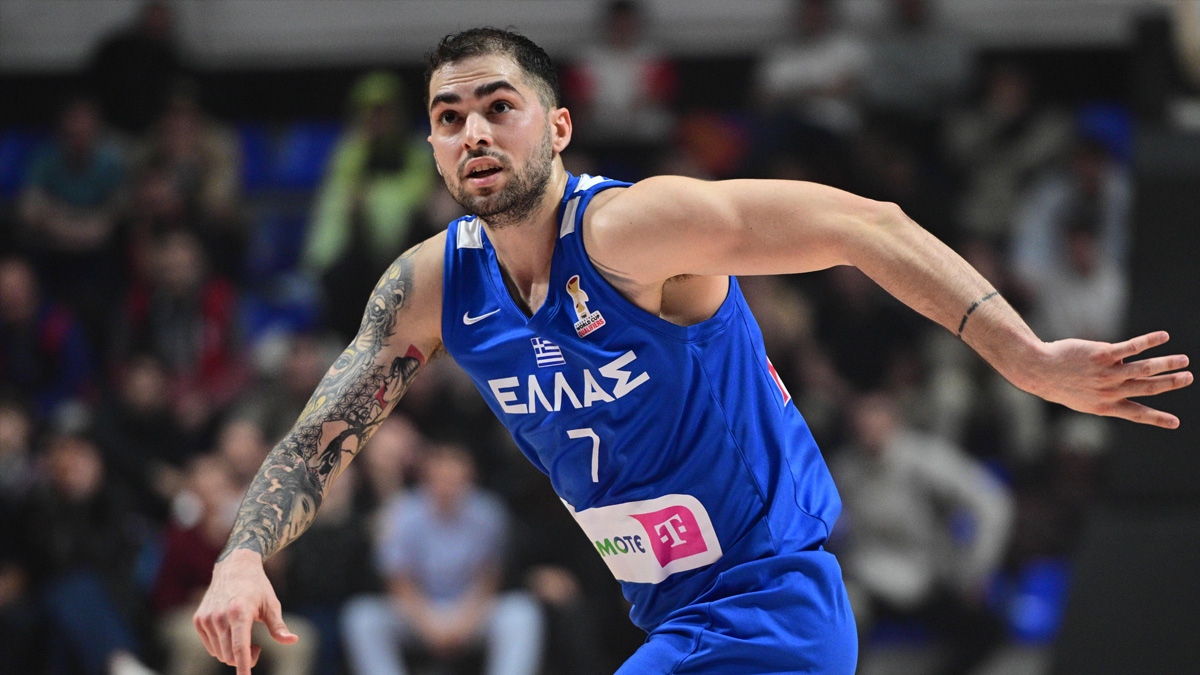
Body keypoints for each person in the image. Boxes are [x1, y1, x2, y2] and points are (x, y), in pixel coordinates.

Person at [194, 28, 1193, 675]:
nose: (474, 132)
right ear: (434, 150)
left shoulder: (633, 233)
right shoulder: (429, 287)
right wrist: (242, 557)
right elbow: (318, 438)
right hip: (673, 618)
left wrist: (1025, 356)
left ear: (559, 126)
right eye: (449, 119)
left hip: (770, 606)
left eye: (499, 106)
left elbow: (866, 223)